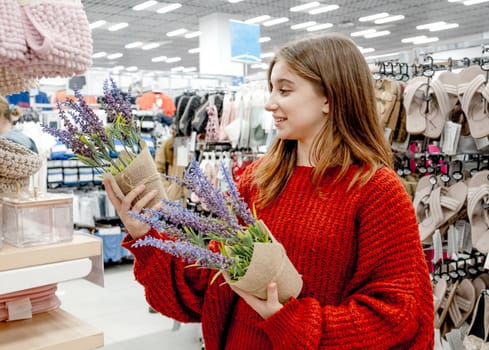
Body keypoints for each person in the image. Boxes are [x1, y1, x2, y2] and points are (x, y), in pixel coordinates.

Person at [104, 33, 434, 349]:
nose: (269, 103)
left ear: (329, 98)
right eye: (271, 89)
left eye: (285, 90)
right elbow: (209, 285)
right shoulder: (258, 180)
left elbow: (396, 313)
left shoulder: (376, 191)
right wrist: (146, 235)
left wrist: (290, 321)